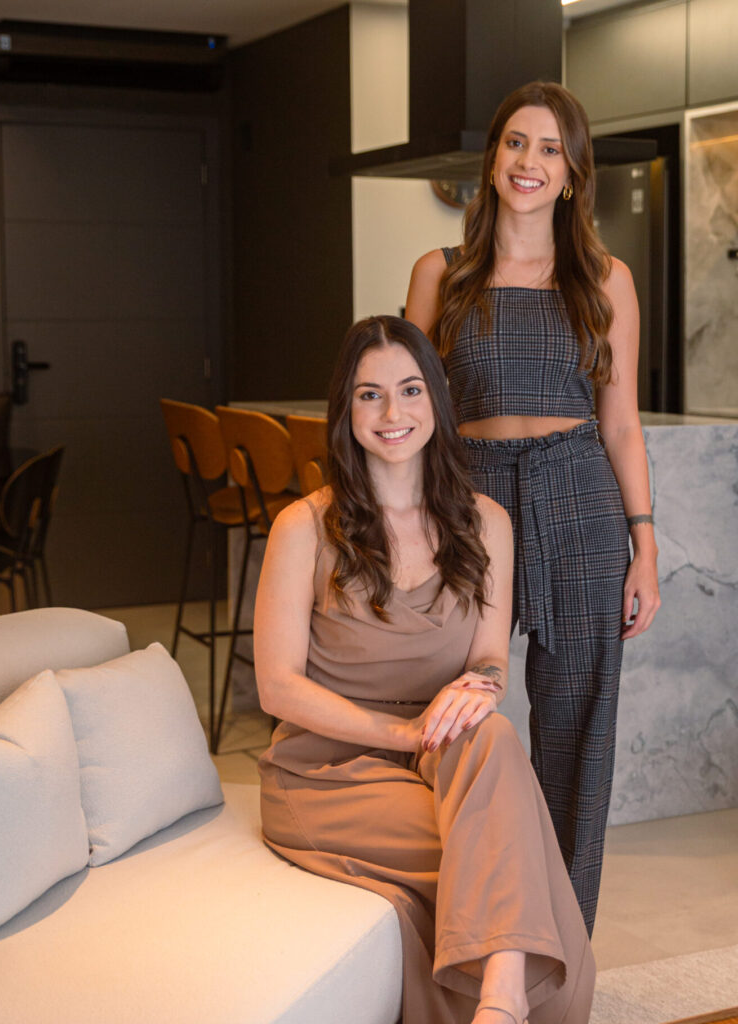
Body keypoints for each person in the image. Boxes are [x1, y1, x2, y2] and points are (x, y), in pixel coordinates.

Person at [256, 315, 595, 1024]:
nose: (392, 412)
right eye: (370, 394)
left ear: (436, 401)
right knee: (503, 849)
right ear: (346, 410)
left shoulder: (487, 523)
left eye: (410, 390)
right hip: (327, 772)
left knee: (492, 732)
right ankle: (516, 1000)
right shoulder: (303, 527)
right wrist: (405, 735)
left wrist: (483, 685)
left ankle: (500, 1000)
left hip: (443, 754)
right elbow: (277, 687)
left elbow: (489, 658)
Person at [405, 81, 661, 935]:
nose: (530, 162)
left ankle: (559, 942)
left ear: (574, 173)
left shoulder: (606, 280)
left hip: (579, 496)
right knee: (442, 707)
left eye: (551, 149)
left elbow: (620, 423)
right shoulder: (440, 274)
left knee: (576, 728)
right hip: (468, 500)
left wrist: (645, 545)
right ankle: (451, 916)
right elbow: (413, 413)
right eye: (517, 143)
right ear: (492, 161)